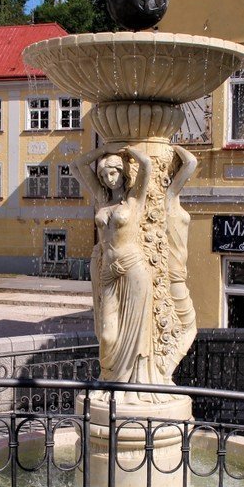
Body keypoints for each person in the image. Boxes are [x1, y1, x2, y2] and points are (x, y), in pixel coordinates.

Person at [73, 144, 170, 400]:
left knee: (135, 334)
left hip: (132, 268)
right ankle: (110, 380)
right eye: (104, 175)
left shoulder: (134, 199)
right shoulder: (102, 199)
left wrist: (129, 151)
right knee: (106, 334)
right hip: (108, 272)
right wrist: (104, 149)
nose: (108, 178)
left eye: (113, 173)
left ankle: (130, 389)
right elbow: (78, 165)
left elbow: (147, 166)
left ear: (122, 172)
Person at [162, 145, 198, 377]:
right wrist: (171, 146)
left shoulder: (170, 200)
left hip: (175, 272)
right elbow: (191, 162)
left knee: (178, 324)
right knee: (188, 325)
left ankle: (162, 368)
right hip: (173, 274)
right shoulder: (169, 198)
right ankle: (164, 369)